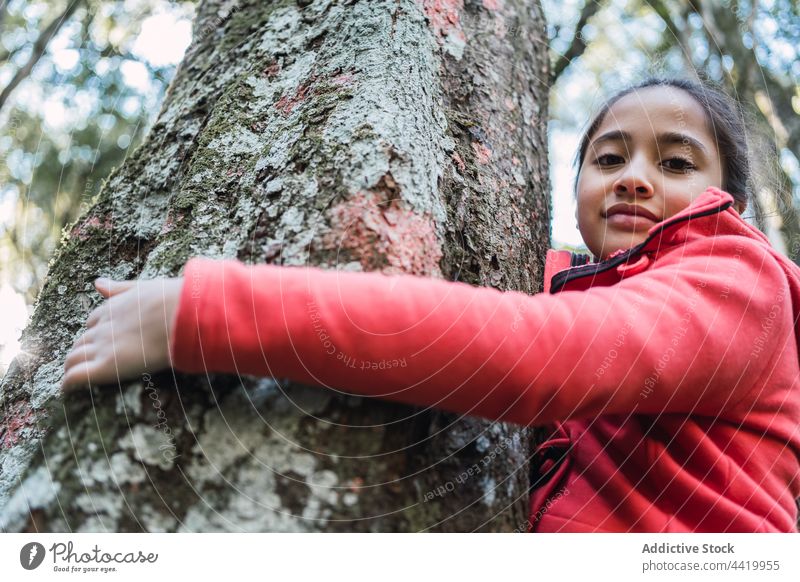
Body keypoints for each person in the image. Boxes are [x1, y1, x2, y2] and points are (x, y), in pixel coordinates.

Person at [61, 77, 800, 533]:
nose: (635, 178)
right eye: (609, 158)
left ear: (724, 198)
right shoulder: (577, 283)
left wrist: (209, 313)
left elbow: (544, 355)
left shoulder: (738, 279)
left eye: (674, 162)